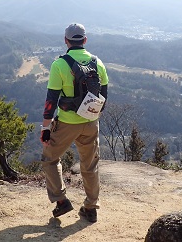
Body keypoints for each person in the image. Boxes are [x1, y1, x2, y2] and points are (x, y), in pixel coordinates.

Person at [40, 23, 109, 223]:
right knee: (90, 165)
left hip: (67, 123)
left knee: (49, 159)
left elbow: (51, 99)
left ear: (66, 41)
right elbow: (103, 97)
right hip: (91, 123)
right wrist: (91, 115)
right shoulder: (98, 63)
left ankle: (61, 200)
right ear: (85, 40)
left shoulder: (59, 65)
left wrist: (45, 128)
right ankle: (91, 208)